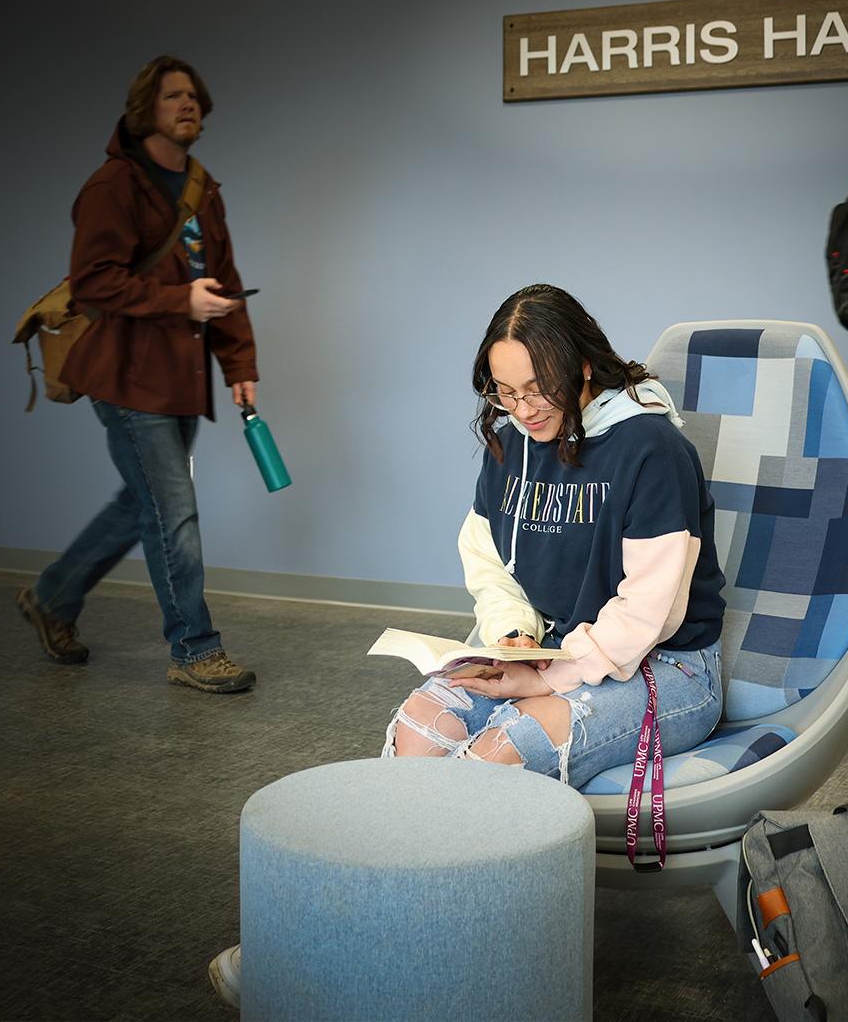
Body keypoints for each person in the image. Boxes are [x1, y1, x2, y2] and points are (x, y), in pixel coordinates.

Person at [208, 284, 727, 1006]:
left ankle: (353, 963)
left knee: (496, 758)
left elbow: (650, 611)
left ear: (582, 366)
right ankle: (342, 949)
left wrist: (545, 678)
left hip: (668, 669)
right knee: (421, 729)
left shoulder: (651, 449)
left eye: (538, 388)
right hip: (546, 649)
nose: (524, 409)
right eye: (505, 392)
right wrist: (513, 636)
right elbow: (489, 559)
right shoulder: (511, 439)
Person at [16, 56, 262, 694]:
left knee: (143, 505)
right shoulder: (113, 185)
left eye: (193, 96)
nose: (188, 105)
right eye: (172, 96)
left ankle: (52, 596)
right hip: (127, 378)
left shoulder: (202, 188)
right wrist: (180, 301)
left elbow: (224, 284)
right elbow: (94, 282)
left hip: (181, 379)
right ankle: (194, 649)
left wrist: (239, 364)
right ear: (144, 109)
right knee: (174, 511)